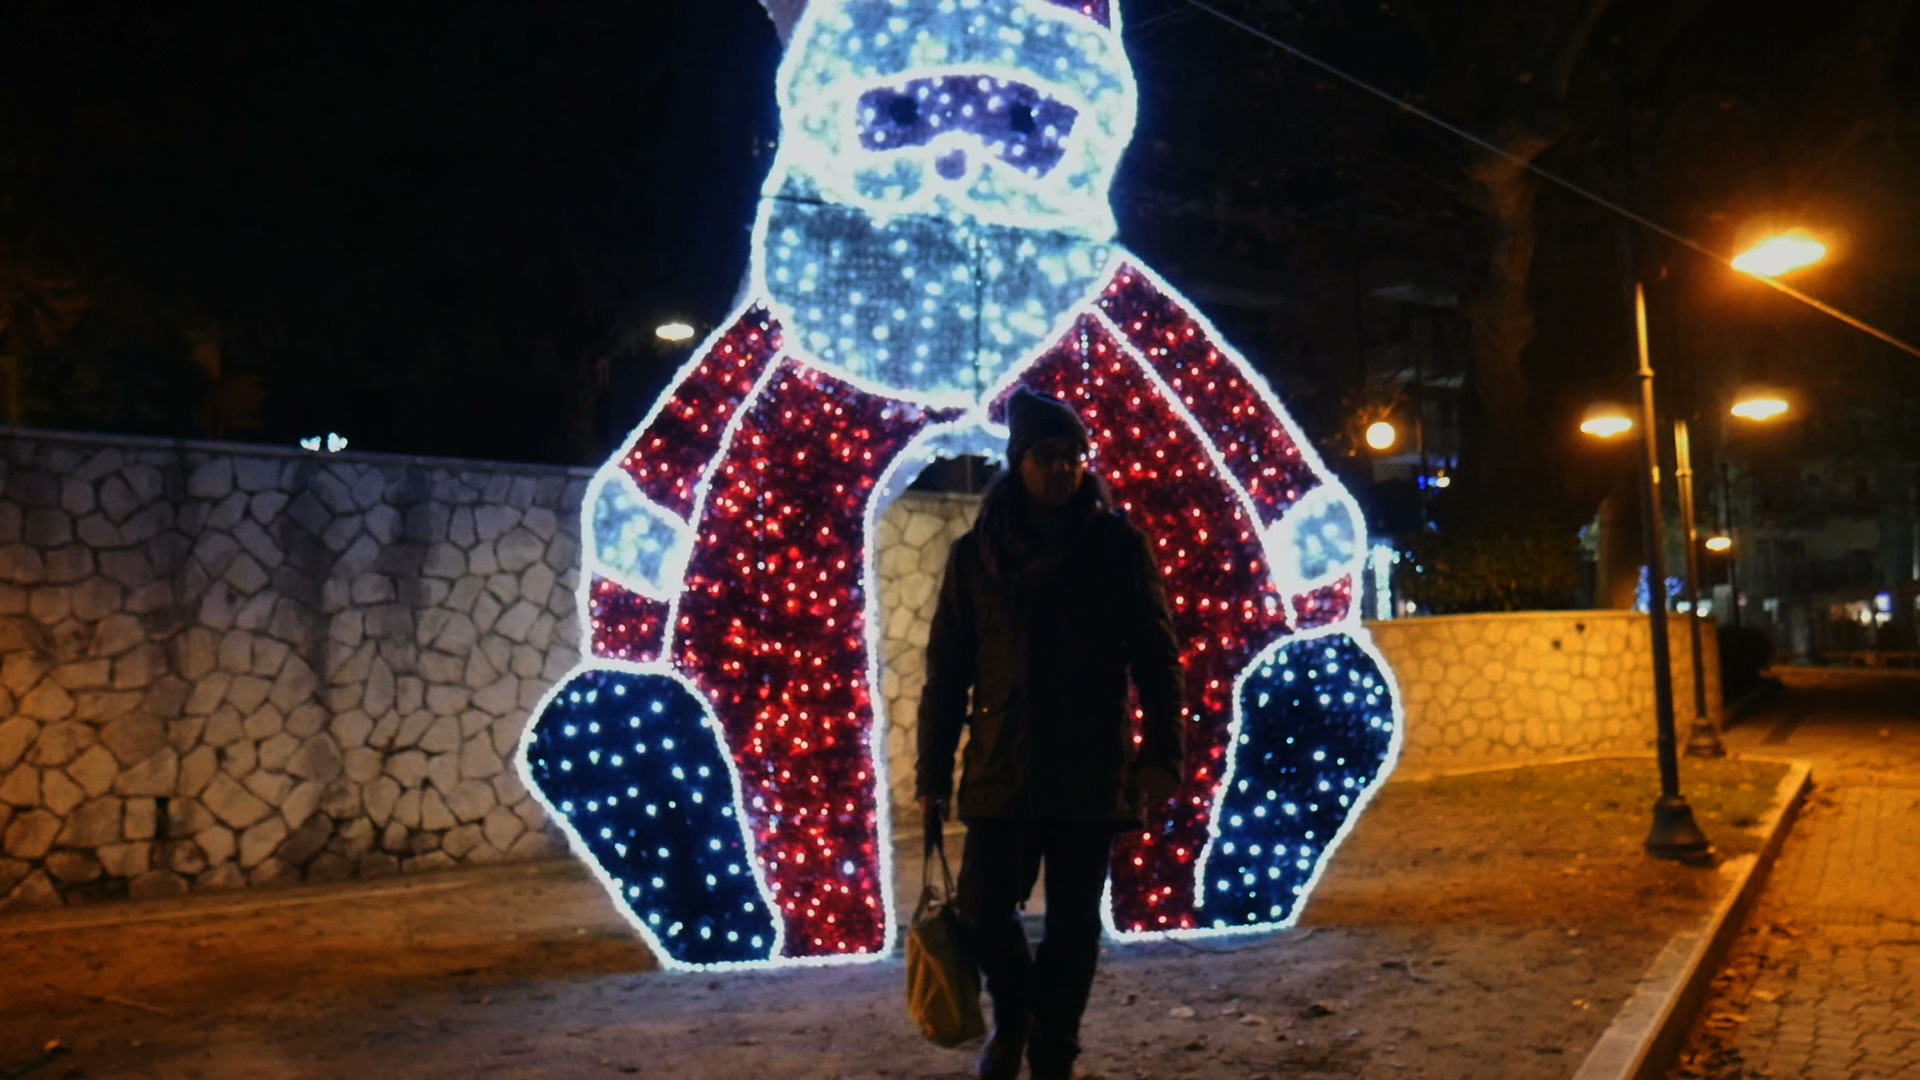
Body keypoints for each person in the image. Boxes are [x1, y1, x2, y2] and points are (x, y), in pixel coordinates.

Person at [917, 386, 1186, 1080]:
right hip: (1001, 763)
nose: (1062, 468)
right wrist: (930, 774)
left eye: (1072, 456)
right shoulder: (974, 555)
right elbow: (947, 671)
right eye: (1046, 456)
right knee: (979, 910)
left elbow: (1156, 657)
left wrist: (1161, 756)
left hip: (1089, 762)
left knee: (1073, 923)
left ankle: (1053, 1048)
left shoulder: (1116, 546)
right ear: (1018, 462)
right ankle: (1016, 1016)